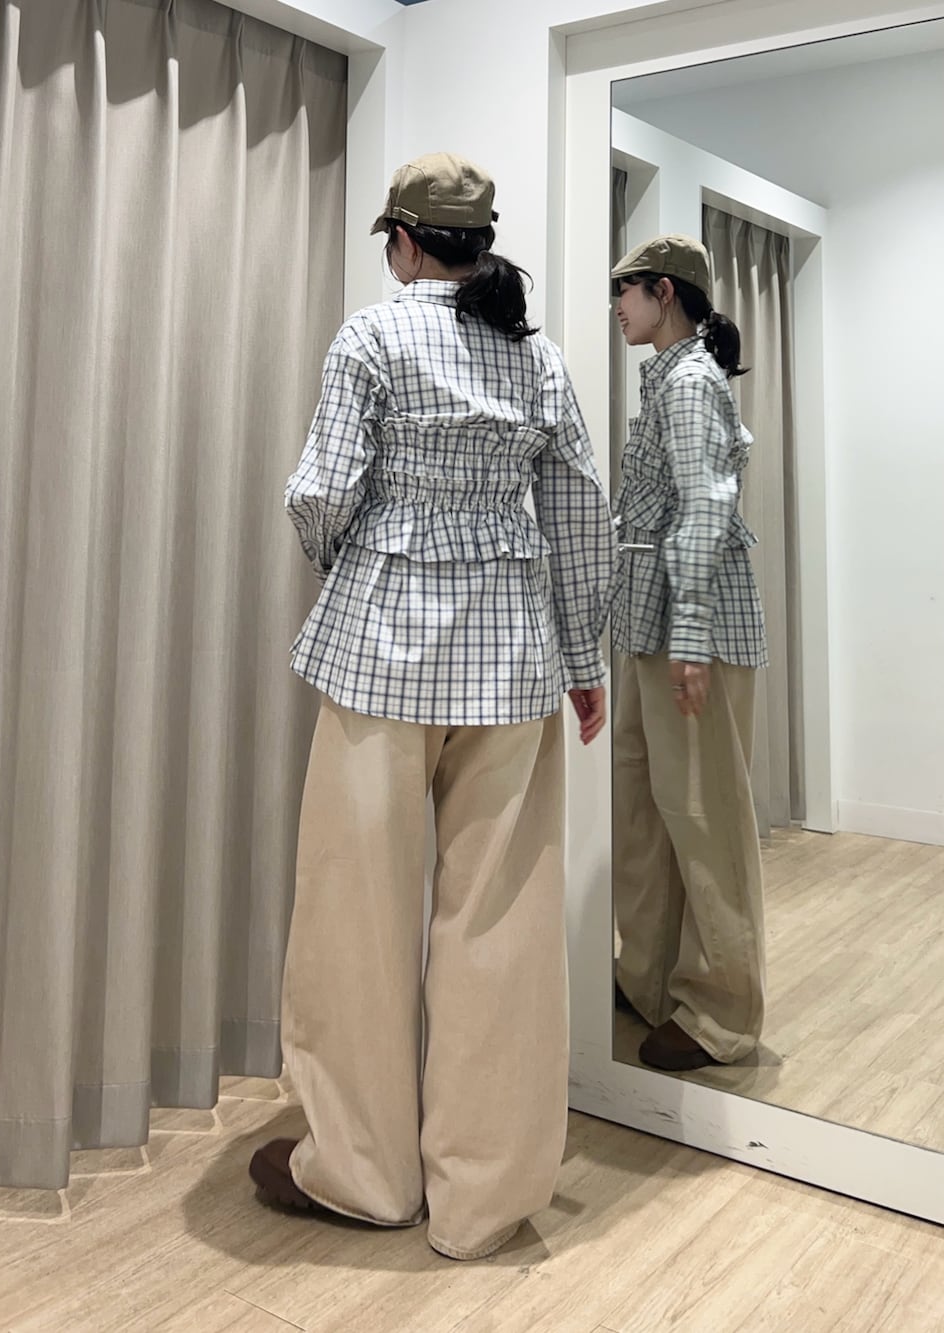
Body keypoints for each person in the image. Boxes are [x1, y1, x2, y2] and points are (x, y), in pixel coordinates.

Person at [248, 153, 614, 1260]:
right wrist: (583, 655)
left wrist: (353, 558)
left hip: (380, 657)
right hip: (511, 658)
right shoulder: (537, 354)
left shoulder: (371, 337)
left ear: (403, 240)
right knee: (500, 925)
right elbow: (577, 509)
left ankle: (362, 1175)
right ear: (480, 243)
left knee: (354, 918)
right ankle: (482, 1200)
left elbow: (320, 493)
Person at [609, 233, 767, 1072]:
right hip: (653, 622)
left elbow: (706, 507)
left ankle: (721, 1012)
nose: (617, 306)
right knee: (646, 807)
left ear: (663, 292)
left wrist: (694, 636)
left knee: (704, 816)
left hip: (687, 628)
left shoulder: (691, 382)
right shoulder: (669, 378)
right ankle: (648, 976)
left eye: (625, 290)